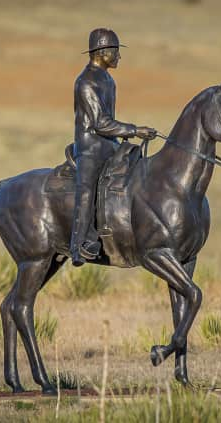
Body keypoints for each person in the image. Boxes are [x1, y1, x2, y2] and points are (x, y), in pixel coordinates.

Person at [70, 28, 156, 266]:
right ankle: (79, 245)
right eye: (115, 51)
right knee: (86, 189)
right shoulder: (85, 82)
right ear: (101, 52)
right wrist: (135, 130)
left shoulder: (108, 80)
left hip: (110, 144)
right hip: (91, 148)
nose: (119, 56)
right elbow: (100, 123)